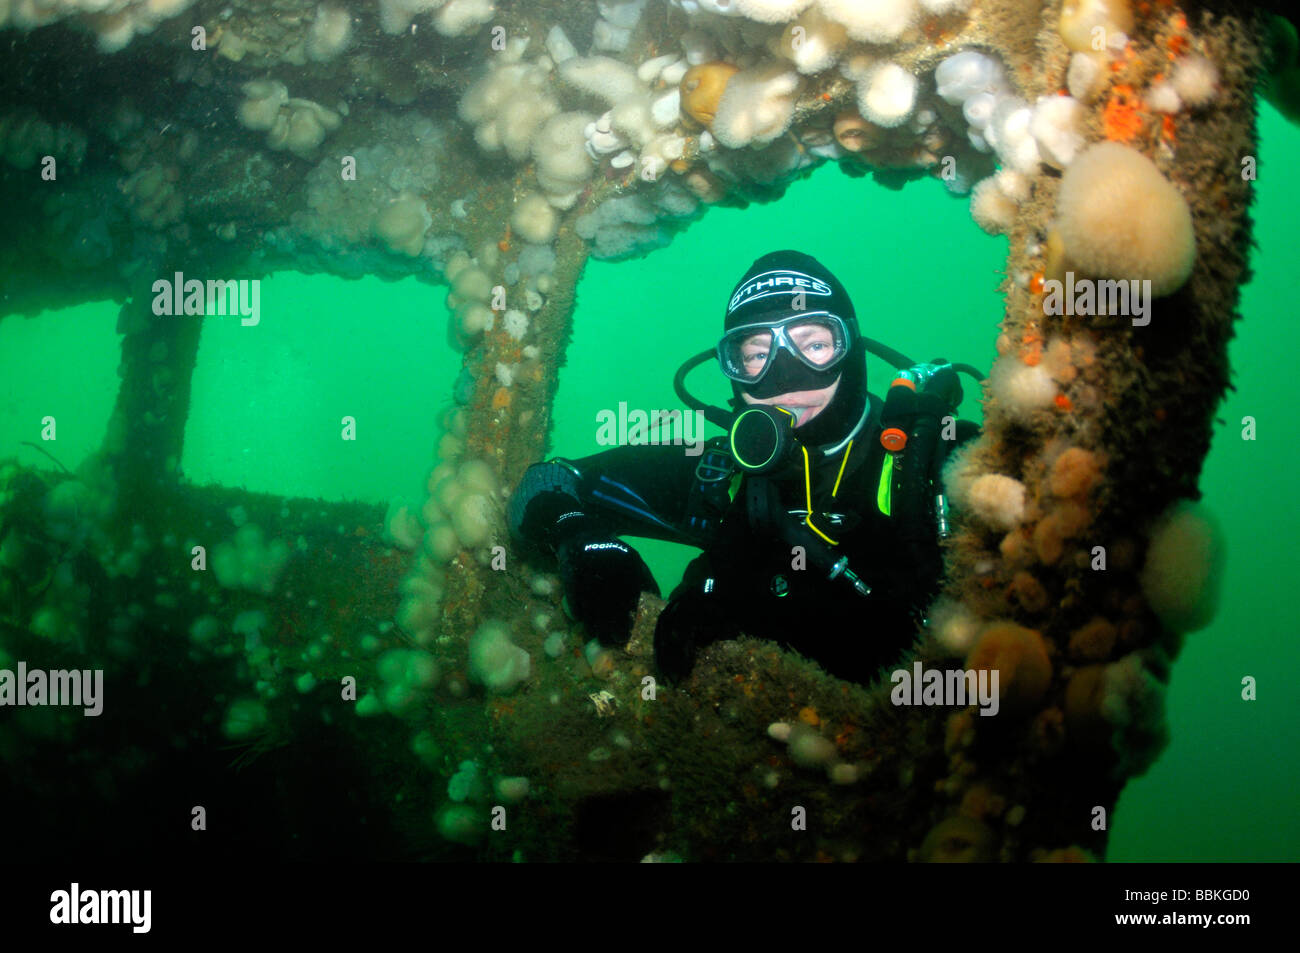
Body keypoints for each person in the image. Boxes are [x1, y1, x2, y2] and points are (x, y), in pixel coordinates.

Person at [508, 250, 978, 685]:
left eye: (813, 344)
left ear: (850, 348)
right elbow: (551, 478)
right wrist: (577, 540)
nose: (783, 374)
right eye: (755, 355)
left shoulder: (937, 460)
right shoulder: (720, 473)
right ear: (732, 369)